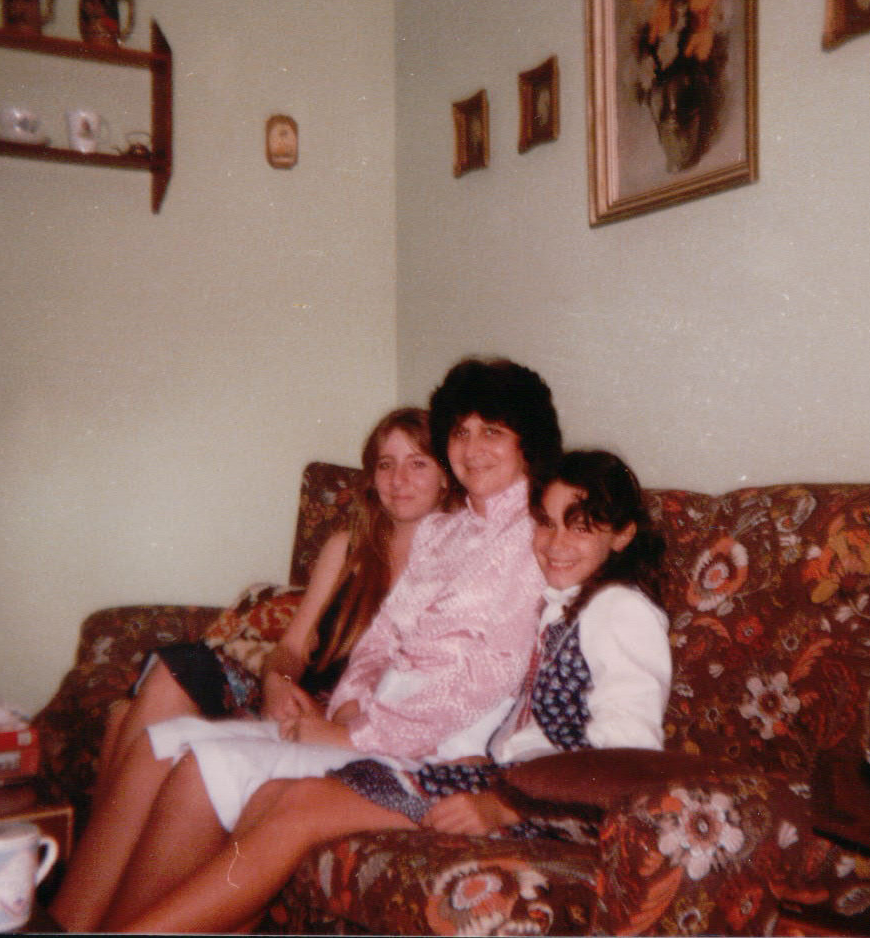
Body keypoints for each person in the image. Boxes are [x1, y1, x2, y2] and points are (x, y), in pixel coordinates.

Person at [53, 357, 563, 932]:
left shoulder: (534, 536)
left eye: (492, 431)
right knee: (162, 741)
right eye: (461, 432)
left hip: (426, 748)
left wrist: (354, 733)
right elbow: (382, 636)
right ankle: (71, 925)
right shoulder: (446, 530)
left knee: (202, 764)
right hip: (373, 724)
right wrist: (349, 698)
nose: (473, 448)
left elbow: (486, 678)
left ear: (528, 443)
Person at [107, 448, 672, 933]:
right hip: (501, 780)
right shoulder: (563, 605)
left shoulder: (621, 612)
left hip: (550, 813)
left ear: (622, 535)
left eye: (581, 525)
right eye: (546, 523)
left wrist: (500, 805)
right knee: (271, 794)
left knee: (298, 807)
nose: (554, 542)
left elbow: (628, 764)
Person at [92, 406, 449, 803]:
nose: (399, 480)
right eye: (386, 464)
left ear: (446, 476)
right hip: (288, 704)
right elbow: (292, 648)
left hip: (339, 723)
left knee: (132, 713)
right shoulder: (346, 548)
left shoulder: (454, 564)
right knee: (172, 671)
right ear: (372, 476)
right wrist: (278, 683)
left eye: (418, 463)